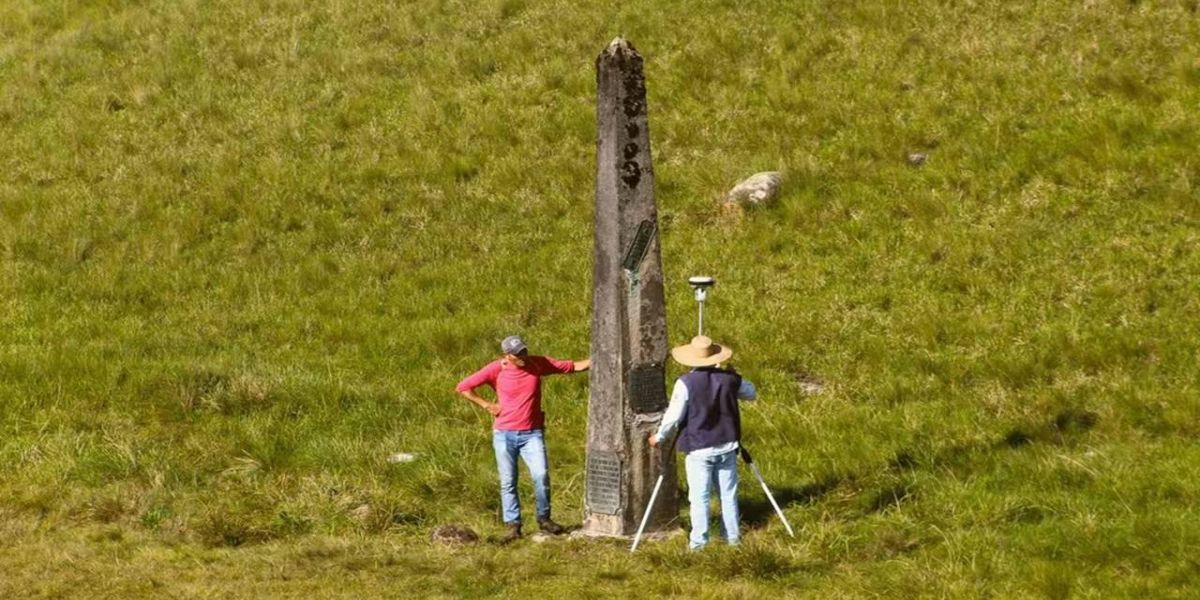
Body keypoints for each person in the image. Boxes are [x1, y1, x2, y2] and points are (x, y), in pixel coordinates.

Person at [456, 335, 590, 543]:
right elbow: (463, 387)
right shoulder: (496, 369)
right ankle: (513, 525)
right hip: (504, 434)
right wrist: (487, 405)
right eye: (518, 354)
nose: (523, 357)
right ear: (506, 355)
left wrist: (600, 357)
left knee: (541, 475)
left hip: (532, 433)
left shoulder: (537, 363)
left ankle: (544, 519)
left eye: (524, 351)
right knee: (508, 481)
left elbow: (572, 366)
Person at [649, 335, 757, 550]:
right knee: (728, 495)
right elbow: (751, 393)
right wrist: (735, 377)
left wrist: (659, 437)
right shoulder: (729, 379)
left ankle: (699, 544)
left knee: (700, 497)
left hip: (699, 448)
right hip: (727, 444)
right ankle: (733, 540)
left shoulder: (686, 383)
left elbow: (674, 415)